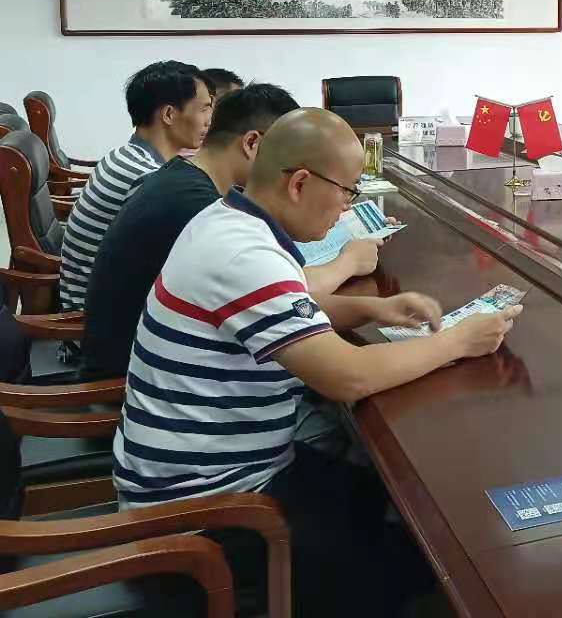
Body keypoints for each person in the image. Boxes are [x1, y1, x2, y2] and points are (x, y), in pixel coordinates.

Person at [112, 107, 521, 617]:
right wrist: (457, 342)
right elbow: (347, 377)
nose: (348, 206)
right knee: (414, 564)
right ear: (300, 183)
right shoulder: (244, 256)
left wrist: (370, 309)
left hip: (216, 472)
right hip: (206, 511)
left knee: (384, 504)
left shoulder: (229, 219)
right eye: (347, 191)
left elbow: (287, 305)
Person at [82, 83, 362, 379]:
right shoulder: (199, 208)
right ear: (253, 144)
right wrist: (350, 262)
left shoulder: (185, 180)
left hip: (149, 361)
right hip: (127, 375)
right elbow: (277, 286)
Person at [58, 61, 214, 310]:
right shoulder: (147, 177)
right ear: (169, 115)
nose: (209, 120)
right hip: (98, 317)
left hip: (88, 300)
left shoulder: (123, 154)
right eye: (204, 109)